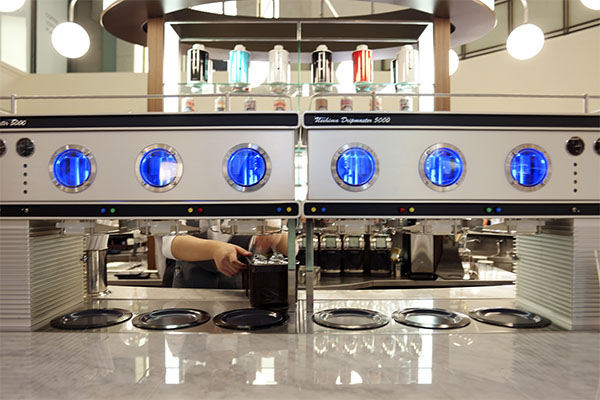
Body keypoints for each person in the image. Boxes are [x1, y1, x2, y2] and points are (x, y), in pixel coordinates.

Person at [161, 220, 290, 289]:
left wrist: (278, 235)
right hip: (189, 301)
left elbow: (291, 249)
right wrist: (215, 249)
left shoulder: (258, 198)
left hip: (241, 302)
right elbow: (169, 243)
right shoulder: (188, 194)